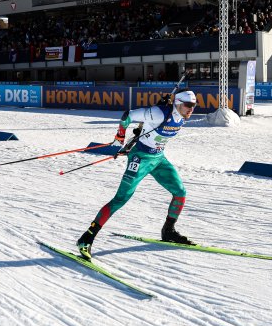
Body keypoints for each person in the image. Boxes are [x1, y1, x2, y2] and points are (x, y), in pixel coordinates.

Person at [76, 90, 198, 260]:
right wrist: (120, 134)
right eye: (188, 105)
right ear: (178, 103)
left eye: (194, 106)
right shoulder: (158, 113)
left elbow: (153, 129)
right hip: (140, 158)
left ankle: (168, 231)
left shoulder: (179, 115)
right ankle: (86, 238)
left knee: (180, 192)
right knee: (121, 198)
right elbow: (128, 116)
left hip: (158, 158)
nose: (191, 109)